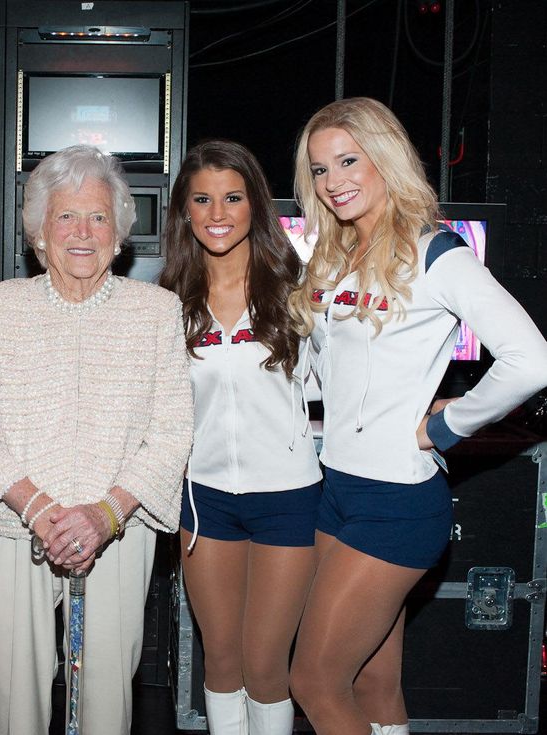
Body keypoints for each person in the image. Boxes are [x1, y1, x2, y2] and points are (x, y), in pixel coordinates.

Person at [285, 97, 547, 735]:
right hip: (335, 489)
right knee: (374, 682)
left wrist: (447, 426)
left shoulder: (436, 253)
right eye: (319, 170)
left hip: (398, 500)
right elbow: (326, 374)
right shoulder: (333, 259)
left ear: (385, 158)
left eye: (349, 160)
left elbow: (532, 358)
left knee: (314, 681)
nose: (334, 180)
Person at [0, 144, 193, 735]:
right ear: (39, 232)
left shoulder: (158, 311)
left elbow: (172, 431)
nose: (82, 232)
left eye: (98, 217)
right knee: (15, 706)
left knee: (107, 708)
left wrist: (105, 515)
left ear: (118, 235)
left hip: (117, 528)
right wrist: (38, 510)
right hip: (12, 529)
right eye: (65, 217)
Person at [159, 140, 321, 735]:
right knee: (222, 659)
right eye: (202, 200)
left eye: (233, 197)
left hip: (289, 496)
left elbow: (349, 373)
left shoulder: (296, 287)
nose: (218, 214)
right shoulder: (167, 300)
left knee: (266, 664)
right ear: (185, 211)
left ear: (256, 203)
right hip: (204, 501)